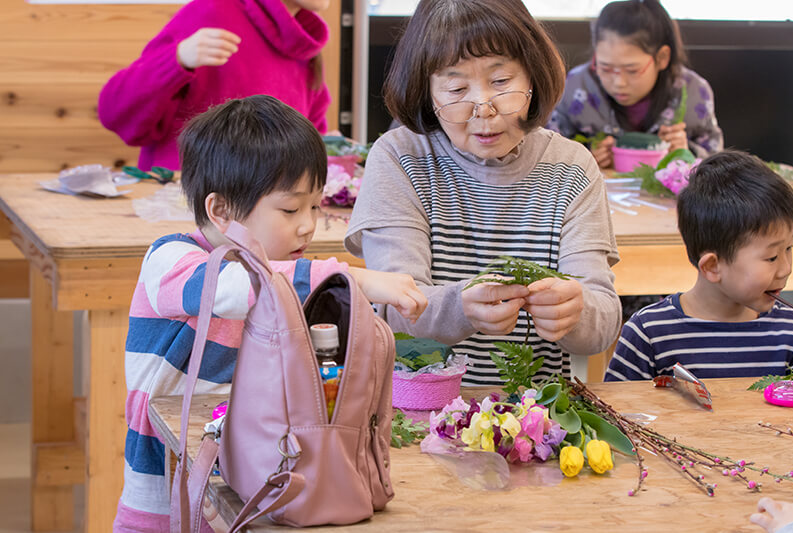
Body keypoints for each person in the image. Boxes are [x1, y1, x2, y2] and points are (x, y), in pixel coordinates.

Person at [113, 95, 427, 532]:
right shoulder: (170, 259)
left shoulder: (284, 269)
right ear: (220, 210)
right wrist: (350, 276)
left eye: (315, 206)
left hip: (243, 481)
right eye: (290, 208)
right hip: (166, 491)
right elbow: (233, 287)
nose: (307, 225)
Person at [344, 0, 622, 386]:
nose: (484, 109)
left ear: (532, 77)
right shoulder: (400, 158)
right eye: (457, 88)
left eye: (501, 82)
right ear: (428, 92)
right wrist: (461, 307)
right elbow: (394, 310)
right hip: (417, 409)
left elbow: (603, 324)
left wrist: (577, 311)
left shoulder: (572, 167)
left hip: (537, 418)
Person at [605, 151, 793, 381]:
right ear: (712, 266)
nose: (786, 268)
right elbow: (616, 412)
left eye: (789, 248)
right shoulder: (648, 333)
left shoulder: (792, 332)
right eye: (771, 257)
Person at [98, 0, 331, 171]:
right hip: (186, 205)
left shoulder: (305, 45)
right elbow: (114, 111)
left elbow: (312, 133)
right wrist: (176, 59)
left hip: (263, 215)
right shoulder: (212, 11)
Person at [548, 0, 723, 169]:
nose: (619, 83)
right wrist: (584, 157)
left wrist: (687, 152)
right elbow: (548, 151)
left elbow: (718, 163)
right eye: (605, 68)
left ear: (662, 58)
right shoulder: (576, 86)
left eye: (631, 70)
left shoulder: (693, 92)